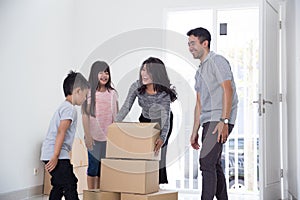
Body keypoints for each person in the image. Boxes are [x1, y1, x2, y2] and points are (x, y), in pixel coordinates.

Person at [187, 27, 238, 200]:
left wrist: (224, 120)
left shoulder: (217, 61)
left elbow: (227, 90)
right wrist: (195, 130)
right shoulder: (199, 71)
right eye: (189, 44)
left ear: (205, 43)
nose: (190, 47)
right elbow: (199, 103)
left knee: (206, 163)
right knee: (213, 164)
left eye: (193, 43)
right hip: (208, 120)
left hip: (219, 119)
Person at [115, 57, 177, 185]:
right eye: (143, 69)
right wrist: (114, 125)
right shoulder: (136, 86)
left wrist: (162, 137)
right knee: (143, 152)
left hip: (162, 121)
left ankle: (157, 185)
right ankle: (142, 183)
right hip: (145, 119)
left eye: (148, 71)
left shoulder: (164, 91)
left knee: (158, 153)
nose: (144, 74)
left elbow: (165, 116)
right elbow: (126, 107)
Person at [40, 71, 90, 200]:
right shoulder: (69, 109)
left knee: (59, 185)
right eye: (85, 95)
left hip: (52, 152)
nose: (85, 99)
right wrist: (56, 156)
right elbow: (61, 131)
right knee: (69, 184)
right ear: (78, 91)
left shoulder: (64, 106)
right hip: (56, 154)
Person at [81, 61, 118, 189]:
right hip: (94, 137)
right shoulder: (89, 93)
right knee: (93, 167)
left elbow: (116, 116)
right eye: (101, 72)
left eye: (106, 72)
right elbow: (85, 115)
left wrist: (116, 137)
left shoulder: (112, 93)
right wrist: (87, 135)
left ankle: (102, 194)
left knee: (104, 168)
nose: (104, 75)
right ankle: (92, 193)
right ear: (94, 74)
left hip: (108, 138)